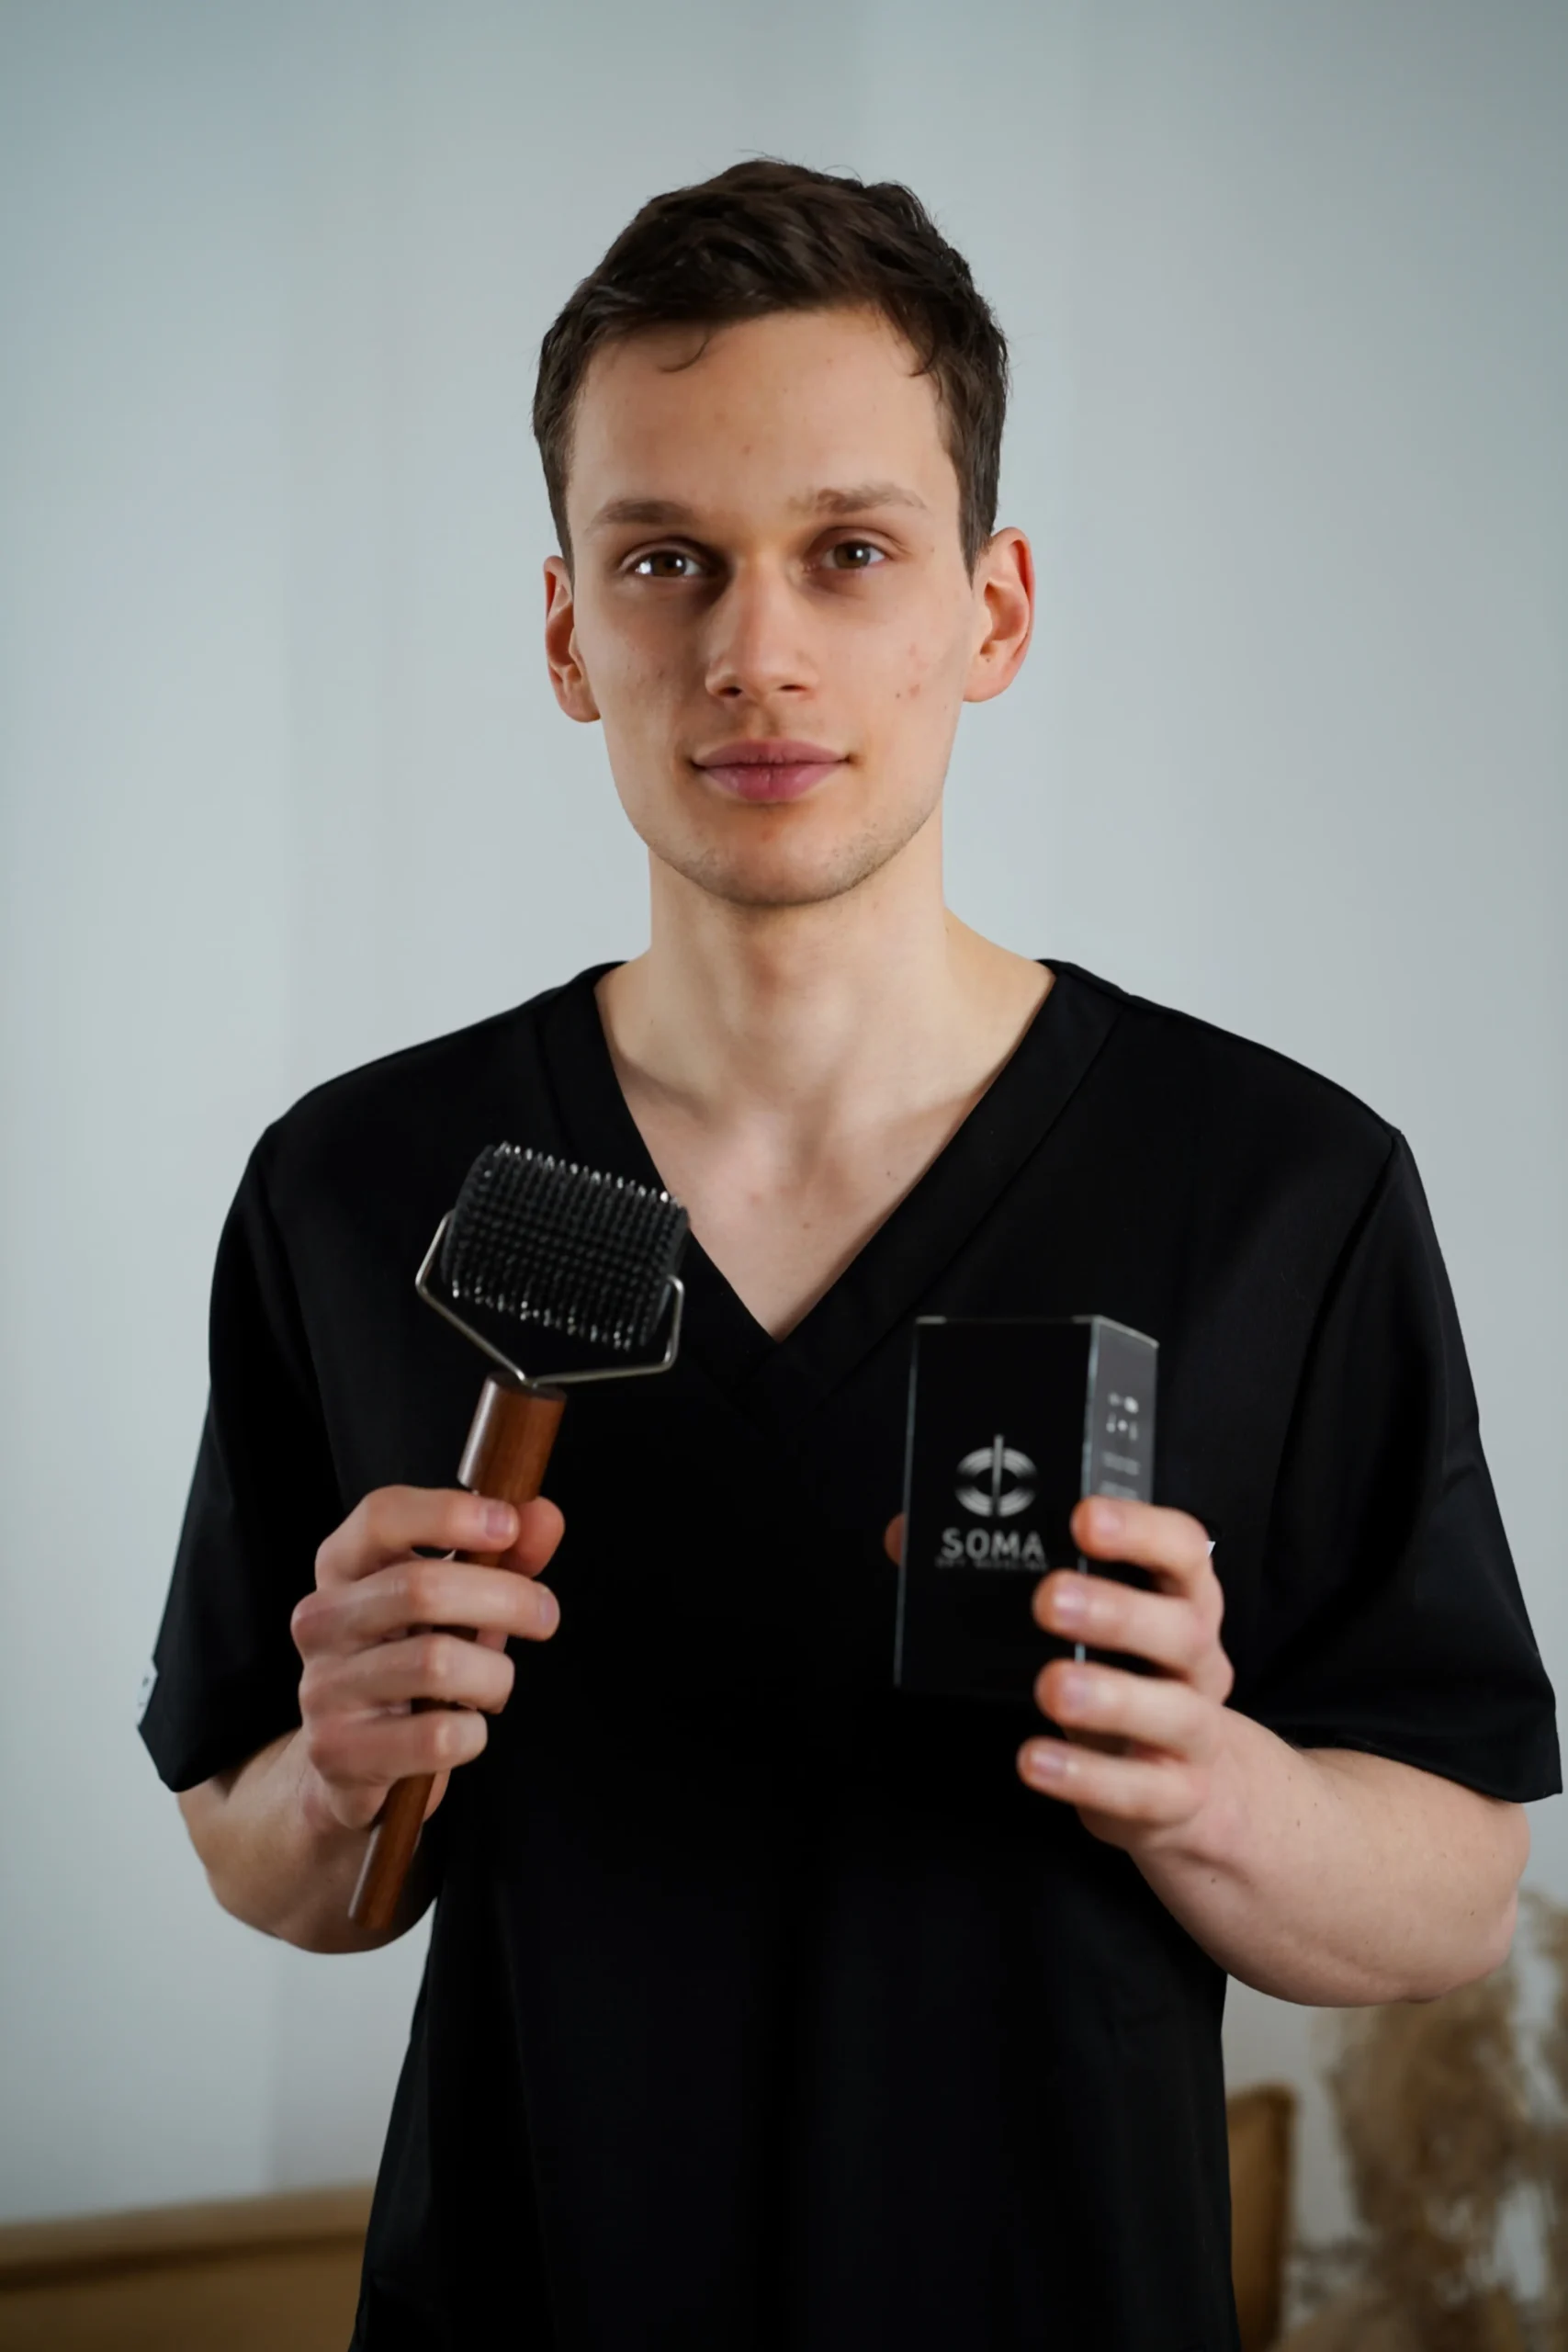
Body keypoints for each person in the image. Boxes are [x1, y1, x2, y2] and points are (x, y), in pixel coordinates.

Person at [141, 162, 1558, 2350]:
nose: (754, 653)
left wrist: (1210, 1783)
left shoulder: (1281, 1185)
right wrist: (335, 1773)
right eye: (666, 561)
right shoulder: (358, 1181)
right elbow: (253, 1839)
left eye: (849, 551)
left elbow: (1456, 1883)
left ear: (991, 608)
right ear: (565, 629)